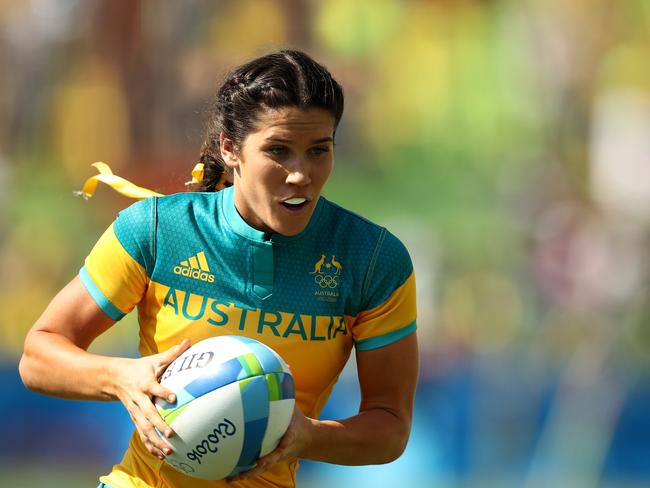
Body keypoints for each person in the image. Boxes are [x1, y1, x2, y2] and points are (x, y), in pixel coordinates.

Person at [19, 49, 419, 488]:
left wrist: (309, 436)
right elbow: (39, 356)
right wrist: (120, 378)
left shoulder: (371, 260)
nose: (300, 174)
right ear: (230, 147)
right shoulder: (157, 230)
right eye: (278, 151)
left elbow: (389, 427)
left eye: (318, 151)